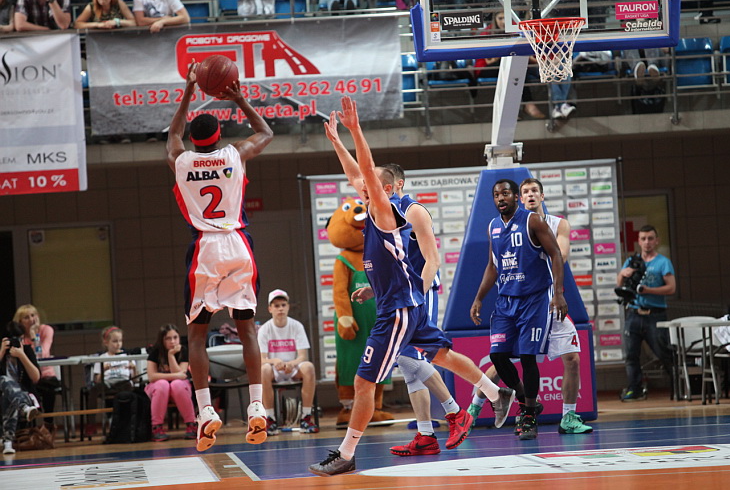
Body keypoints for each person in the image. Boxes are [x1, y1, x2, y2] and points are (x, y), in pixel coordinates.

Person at [308, 96, 513, 476]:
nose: (361, 185)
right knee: (442, 356)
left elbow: (365, 170)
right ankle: (495, 392)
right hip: (405, 303)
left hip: (399, 310)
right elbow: (357, 173)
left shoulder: (386, 210)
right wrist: (336, 141)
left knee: (363, 383)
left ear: (385, 187)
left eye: (369, 183)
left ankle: (347, 454)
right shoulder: (377, 207)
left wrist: (356, 130)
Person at [167, 62, 274, 452]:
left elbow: (173, 134)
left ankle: (206, 411)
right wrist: (240, 99)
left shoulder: (181, 161)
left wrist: (188, 91)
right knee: (248, 330)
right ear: (218, 136)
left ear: (195, 140)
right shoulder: (234, 155)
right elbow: (266, 132)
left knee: (197, 335)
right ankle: (257, 404)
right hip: (238, 245)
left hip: (205, 249)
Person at [380, 163, 472, 456]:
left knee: (411, 356)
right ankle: (426, 435)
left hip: (421, 291)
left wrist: (417, 294)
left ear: (398, 184)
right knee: (407, 365)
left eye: (382, 182)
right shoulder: (383, 214)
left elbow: (432, 260)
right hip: (400, 296)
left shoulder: (413, 210)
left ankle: (456, 412)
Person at [470, 179, 567, 440]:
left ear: (516, 197)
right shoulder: (493, 226)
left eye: (505, 193)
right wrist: (479, 298)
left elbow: (556, 254)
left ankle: (528, 415)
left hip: (534, 299)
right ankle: (527, 400)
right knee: (498, 356)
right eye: (496, 195)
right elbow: (493, 266)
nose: (500, 198)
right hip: (506, 301)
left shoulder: (533, 221)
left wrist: (558, 293)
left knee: (527, 357)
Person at [518, 178, 591, 433]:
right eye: (525, 192)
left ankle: (568, 417)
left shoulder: (559, 224)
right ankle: (475, 406)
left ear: (542, 196)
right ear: (520, 199)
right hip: (526, 304)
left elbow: (560, 256)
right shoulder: (513, 227)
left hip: (551, 299)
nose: (530, 195)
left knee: (572, 358)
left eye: (534, 191)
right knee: (505, 360)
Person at [617, 224, 675, 401]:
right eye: (643, 239)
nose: (647, 242)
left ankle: (678, 386)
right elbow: (619, 286)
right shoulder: (632, 261)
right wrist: (623, 274)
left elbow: (671, 288)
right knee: (631, 355)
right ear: (639, 241)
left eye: (650, 238)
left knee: (663, 352)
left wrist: (648, 290)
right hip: (634, 313)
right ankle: (635, 389)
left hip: (655, 314)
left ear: (656, 241)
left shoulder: (663, 262)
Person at [257, 289, 319, 435]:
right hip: (274, 369)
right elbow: (261, 359)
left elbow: (303, 356)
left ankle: (306, 417)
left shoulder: (297, 326)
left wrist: (292, 363)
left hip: (294, 368)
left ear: (288, 307)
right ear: (270, 309)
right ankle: (270, 418)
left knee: (309, 367)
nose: (280, 308)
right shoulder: (264, 329)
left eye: (283, 305)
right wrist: (274, 361)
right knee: (264, 369)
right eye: (276, 305)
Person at [474, 12, 546, 120]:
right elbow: (489, 61)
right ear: (495, 19)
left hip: (508, 64)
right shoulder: (487, 33)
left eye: (506, 18)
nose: (503, 21)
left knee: (516, 67)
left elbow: (524, 54)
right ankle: (526, 104)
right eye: (500, 18)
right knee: (512, 66)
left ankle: (513, 108)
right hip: (486, 68)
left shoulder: (516, 31)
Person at [145, 324, 195, 442]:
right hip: (158, 389)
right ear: (162, 340)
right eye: (168, 338)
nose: (172, 341)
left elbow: (181, 375)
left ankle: (192, 425)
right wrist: (175, 376)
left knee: (177, 384)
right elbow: (152, 377)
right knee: (162, 384)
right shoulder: (155, 351)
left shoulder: (183, 350)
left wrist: (171, 355)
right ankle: (156, 428)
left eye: (175, 337)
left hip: (179, 389)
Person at [84, 326, 136, 436]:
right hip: (107, 383)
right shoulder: (101, 358)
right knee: (94, 390)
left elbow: (135, 379)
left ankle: (127, 420)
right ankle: (91, 423)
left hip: (123, 382)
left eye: (120, 341)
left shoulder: (127, 356)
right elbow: (97, 380)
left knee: (128, 386)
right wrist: (103, 370)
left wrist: (134, 368)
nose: (118, 344)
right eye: (115, 341)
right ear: (106, 342)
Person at [1, 321, 41, 455]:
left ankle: (8, 441)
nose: (16, 342)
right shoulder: (1, 352)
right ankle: (24, 408)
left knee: (9, 396)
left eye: (19, 339)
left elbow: (36, 378)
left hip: (25, 394)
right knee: (4, 381)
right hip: (7, 397)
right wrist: (1, 352)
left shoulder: (27, 350)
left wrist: (22, 356)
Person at [13, 304, 59, 422]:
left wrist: (34, 337)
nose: (31, 319)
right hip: (29, 376)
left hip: (46, 374)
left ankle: (48, 424)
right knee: (25, 389)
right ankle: (30, 424)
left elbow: (42, 354)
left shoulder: (46, 330)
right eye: (26, 317)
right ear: (20, 321)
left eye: (33, 315)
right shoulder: (19, 336)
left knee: (48, 389)